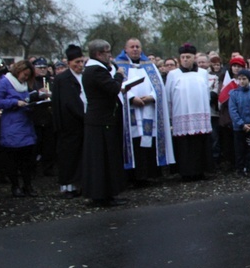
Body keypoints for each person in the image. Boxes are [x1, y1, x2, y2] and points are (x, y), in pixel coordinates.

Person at [115, 38, 175, 184]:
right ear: (125, 49)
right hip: (130, 111)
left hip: (148, 109)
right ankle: (132, 176)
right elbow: (115, 86)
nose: (135, 49)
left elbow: (159, 87)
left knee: (147, 141)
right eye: (132, 47)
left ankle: (149, 175)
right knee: (134, 141)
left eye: (138, 47)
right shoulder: (119, 66)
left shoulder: (150, 66)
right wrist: (131, 98)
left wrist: (151, 97)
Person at [83, 39, 128, 207]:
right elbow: (113, 88)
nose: (110, 55)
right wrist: (119, 75)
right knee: (101, 160)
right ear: (98, 54)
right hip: (101, 121)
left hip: (102, 119)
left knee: (106, 158)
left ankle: (107, 193)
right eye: (107, 52)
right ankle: (101, 195)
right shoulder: (95, 71)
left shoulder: (96, 69)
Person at [0, 60, 45, 197]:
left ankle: (27, 185)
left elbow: (27, 98)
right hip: (12, 124)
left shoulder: (24, 84)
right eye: (24, 75)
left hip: (26, 123)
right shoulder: (5, 82)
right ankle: (15, 186)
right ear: (18, 71)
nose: (26, 78)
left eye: (28, 76)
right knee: (13, 158)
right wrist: (14, 102)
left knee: (27, 159)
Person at [166, 43, 214, 181]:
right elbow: (169, 96)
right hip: (181, 114)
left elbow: (206, 93)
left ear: (194, 57)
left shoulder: (203, 73)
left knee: (200, 144)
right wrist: (170, 116)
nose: (185, 59)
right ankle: (186, 173)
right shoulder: (173, 74)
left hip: (200, 115)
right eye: (183, 57)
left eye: (188, 57)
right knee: (185, 145)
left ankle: (200, 171)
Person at [52, 45, 86, 197]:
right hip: (69, 123)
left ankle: (82, 183)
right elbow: (67, 102)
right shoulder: (63, 79)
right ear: (69, 63)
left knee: (82, 155)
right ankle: (68, 186)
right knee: (69, 156)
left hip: (84, 121)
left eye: (82, 62)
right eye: (76, 62)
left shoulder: (84, 76)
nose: (80, 65)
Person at [228, 68, 250, 177]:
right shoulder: (234, 94)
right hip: (239, 128)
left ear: (248, 79)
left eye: (244, 79)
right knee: (239, 149)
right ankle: (239, 169)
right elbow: (233, 111)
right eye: (240, 79)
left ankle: (249, 168)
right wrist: (241, 124)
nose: (242, 81)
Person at [30, 57, 56, 177]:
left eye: (44, 67)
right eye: (39, 68)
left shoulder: (51, 80)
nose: (42, 70)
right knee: (35, 145)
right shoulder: (30, 82)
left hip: (49, 117)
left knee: (49, 145)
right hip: (35, 117)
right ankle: (33, 168)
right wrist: (38, 94)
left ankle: (48, 168)